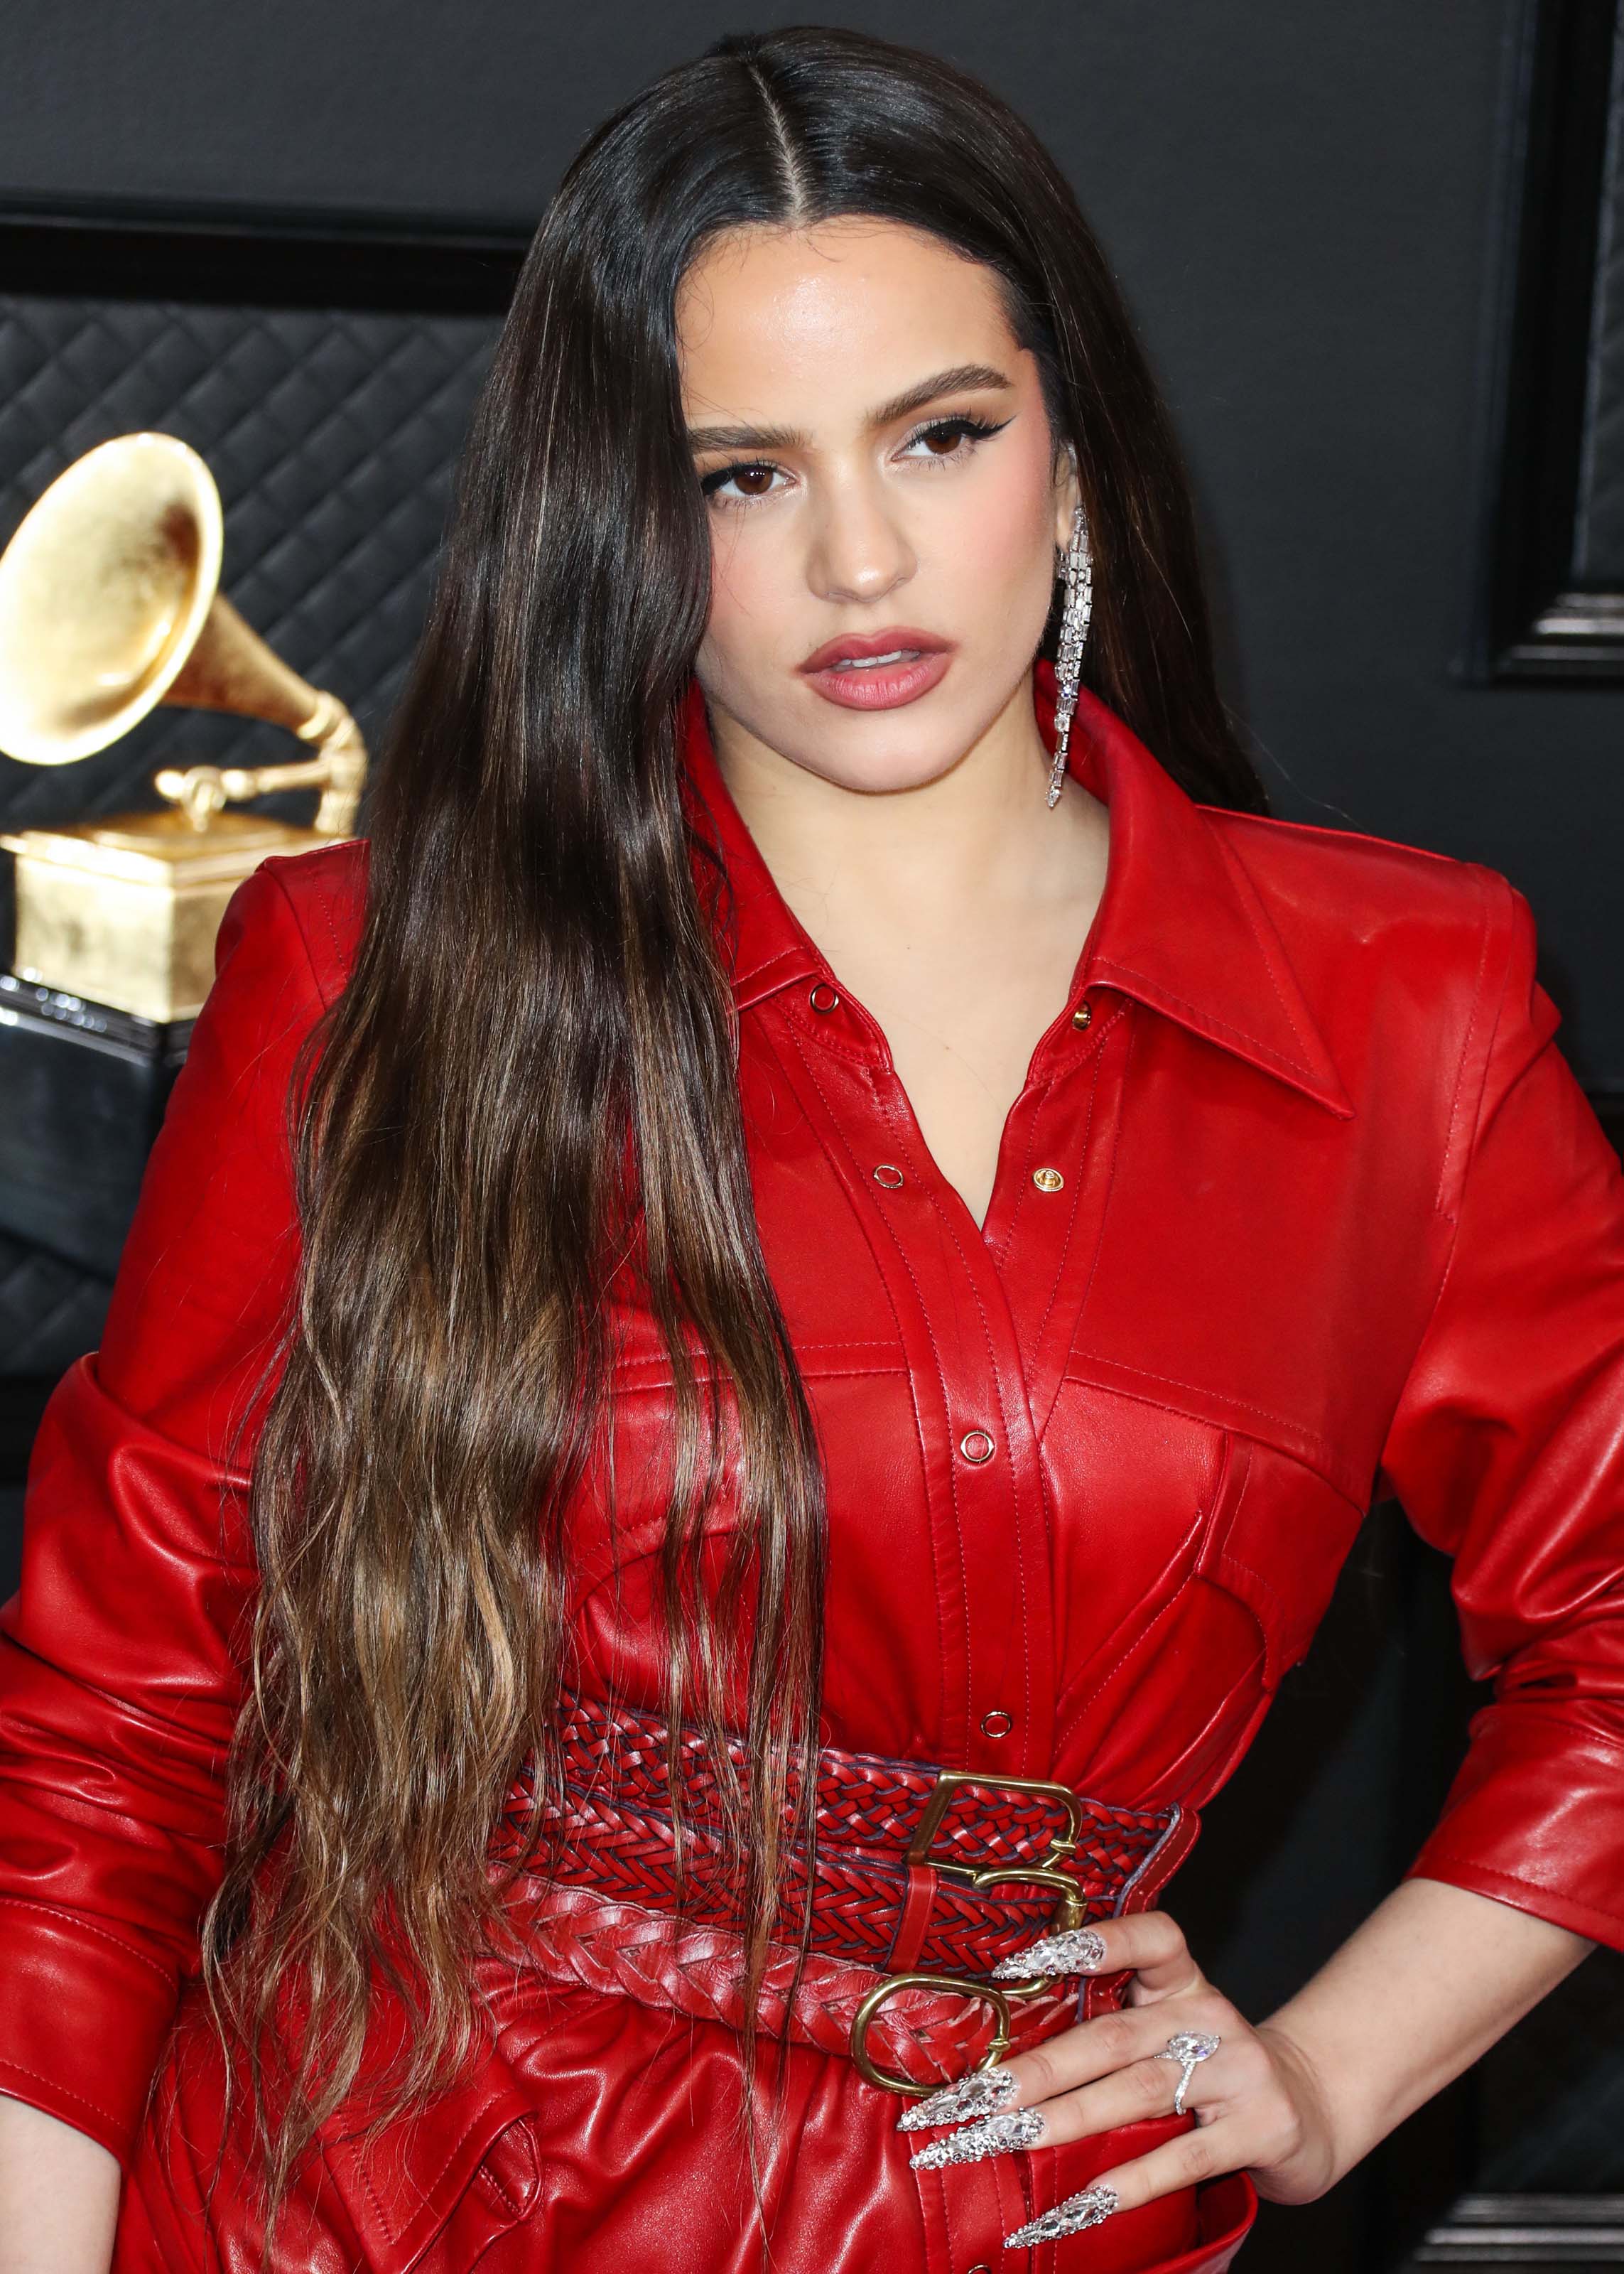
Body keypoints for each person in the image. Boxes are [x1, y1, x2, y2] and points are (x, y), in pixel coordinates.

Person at [1, 23, 1620, 2273]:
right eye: (741, 474)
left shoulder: (1401, 1006)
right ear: (630, 523)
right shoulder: (371, 976)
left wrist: (1331, 2076)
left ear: (1068, 457)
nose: (862, 559)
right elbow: (106, 1734)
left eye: (940, 437)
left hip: (1016, 2207)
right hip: (370, 2196)